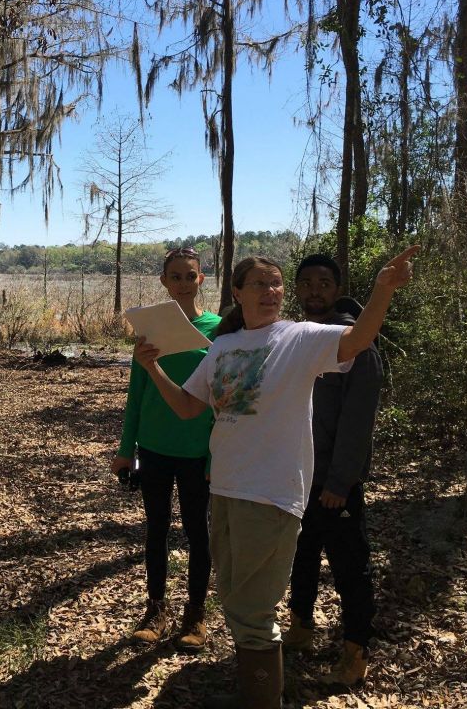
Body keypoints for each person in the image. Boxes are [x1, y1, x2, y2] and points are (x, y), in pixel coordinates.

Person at [132, 246, 418, 709]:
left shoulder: (300, 337)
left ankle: (263, 699)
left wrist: (383, 291)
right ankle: (255, 690)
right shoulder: (223, 346)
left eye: (276, 283)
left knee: (253, 611)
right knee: (234, 599)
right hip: (225, 488)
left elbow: (358, 339)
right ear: (238, 293)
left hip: (271, 494)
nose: (271, 291)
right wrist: (152, 366)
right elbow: (186, 407)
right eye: (260, 284)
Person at [111, 246, 220, 651]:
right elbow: (136, 395)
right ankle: (155, 610)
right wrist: (126, 449)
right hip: (154, 446)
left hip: (197, 450)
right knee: (156, 530)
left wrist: (215, 455)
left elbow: (222, 399)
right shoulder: (150, 329)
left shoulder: (218, 330)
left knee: (197, 532)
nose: (183, 283)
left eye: (190, 276)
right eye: (175, 276)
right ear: (164, 281)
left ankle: (196, 614)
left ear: (201, 279)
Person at [285, 254, 382, 687]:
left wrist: (341, 481)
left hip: (334, 483)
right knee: (301, 555)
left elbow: (358, 421)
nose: (314, 291)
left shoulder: (356, 343)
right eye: (306, 283)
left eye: (323, 283)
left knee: (349, 566)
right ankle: (300, 626)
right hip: (298, 475)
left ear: (337, 288)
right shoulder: (299, 338)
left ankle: (355, 652)